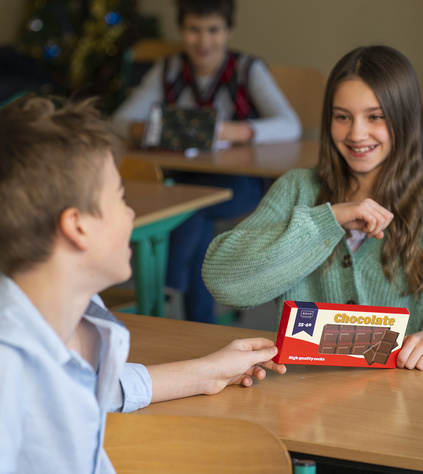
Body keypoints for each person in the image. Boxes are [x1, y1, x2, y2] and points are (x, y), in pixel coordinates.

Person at [0, 95, 287, 473]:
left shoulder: (81, 316)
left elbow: (107, 389)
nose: (132, 212)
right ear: (78, 227)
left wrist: (210, 371)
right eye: (121, 197)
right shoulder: (10, 369)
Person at [202, 45, 423, 370]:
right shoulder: (297, 188)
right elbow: (222, 281)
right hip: (302, 401)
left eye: (376, 117)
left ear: (404, 119)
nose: (356, 134)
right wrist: (328, 221)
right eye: (342, 117)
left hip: (402, 404)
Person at [112, 0, 301, 324]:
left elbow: (290, 124)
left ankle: (167, 288)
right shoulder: (168, 69)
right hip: (186, 177)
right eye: (193, 30)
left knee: (191, 207)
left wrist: (237, 130)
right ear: (182, 30)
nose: (203, 41)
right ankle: (199, 321)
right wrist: (151, 128)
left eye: (213, 30)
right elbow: (120, 120)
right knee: (195, 211)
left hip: (242, 183)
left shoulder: (247, 69)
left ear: (228, 31)